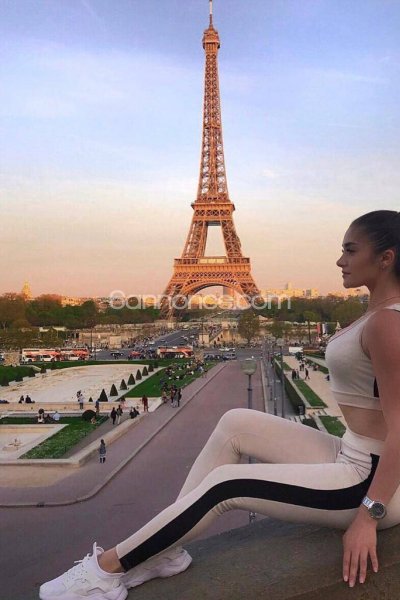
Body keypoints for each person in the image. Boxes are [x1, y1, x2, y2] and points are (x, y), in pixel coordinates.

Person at [39, 210, 400, 599]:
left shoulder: (387, 323)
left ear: (385, 258)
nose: (340, 260)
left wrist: (369, 516)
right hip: (354, 453)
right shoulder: (377, 313)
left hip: (370, 482)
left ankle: (106, 569)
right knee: (235, 423)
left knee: (226, 484)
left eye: (350, 250)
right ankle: (165, 550)